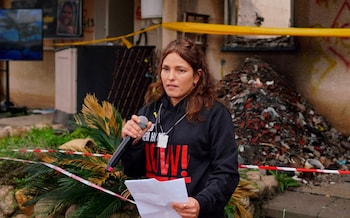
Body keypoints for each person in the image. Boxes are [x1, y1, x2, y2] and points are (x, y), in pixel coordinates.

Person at [121, 38, 240, 217]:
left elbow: (227, 173)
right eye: (166, 69)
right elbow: (133, 170)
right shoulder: (149, 112)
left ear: (196, 76)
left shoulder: (215, 115)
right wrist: (132, 144)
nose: (171, 77)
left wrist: (201, 202)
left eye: (180, 70)